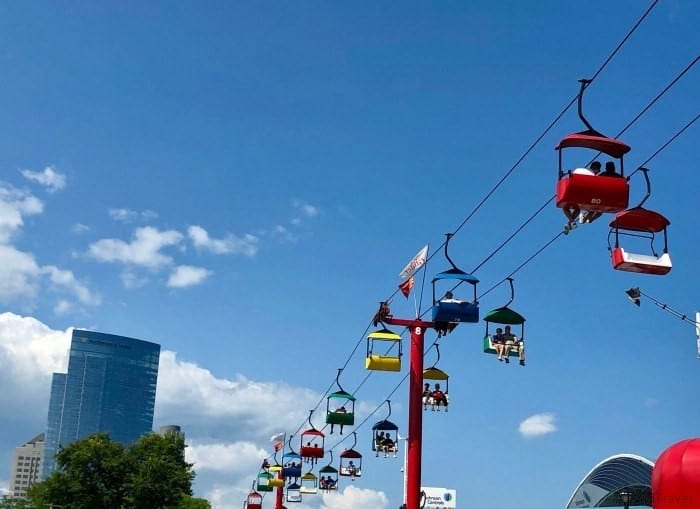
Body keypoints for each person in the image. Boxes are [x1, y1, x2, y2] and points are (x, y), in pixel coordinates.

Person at [563, 162, 602, 233]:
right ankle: (572, 222)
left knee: (566, 207)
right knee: (579, 209)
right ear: (596, 169)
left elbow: (569, 178)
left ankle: (571, 222)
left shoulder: (578, 170)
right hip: (584, 195)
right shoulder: (593, 175)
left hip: (573, 192)